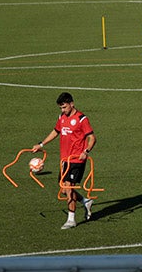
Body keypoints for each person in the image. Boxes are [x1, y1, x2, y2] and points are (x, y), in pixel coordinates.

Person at [32, 92, 96, 229]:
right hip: (64, 159)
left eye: (64, 107)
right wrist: (41, 144)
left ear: (71, 104)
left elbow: (92, 138)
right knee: (63, 190)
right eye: (61, 108)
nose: (62, 110)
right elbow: (56, 131)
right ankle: (86, 201)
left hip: (76, 159)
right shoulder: (62, 117)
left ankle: (71, 219)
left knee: (68, 187)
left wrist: (86, 151)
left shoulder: (81, 119)